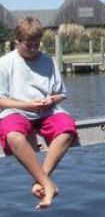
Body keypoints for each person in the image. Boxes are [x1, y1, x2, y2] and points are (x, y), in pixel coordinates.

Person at [0, 16, 77, 209]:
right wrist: (28, 106)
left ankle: (42, 181)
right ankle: (47, 184)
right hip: (15, 111)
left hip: (46, 111)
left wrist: (51, 100)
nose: (34, 49)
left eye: (37, 44)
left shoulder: (48, 61)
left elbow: (61, 93)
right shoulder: (5, 63)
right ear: (17, 42)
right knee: (14, 137)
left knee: (67, 128)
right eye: (29, 45)